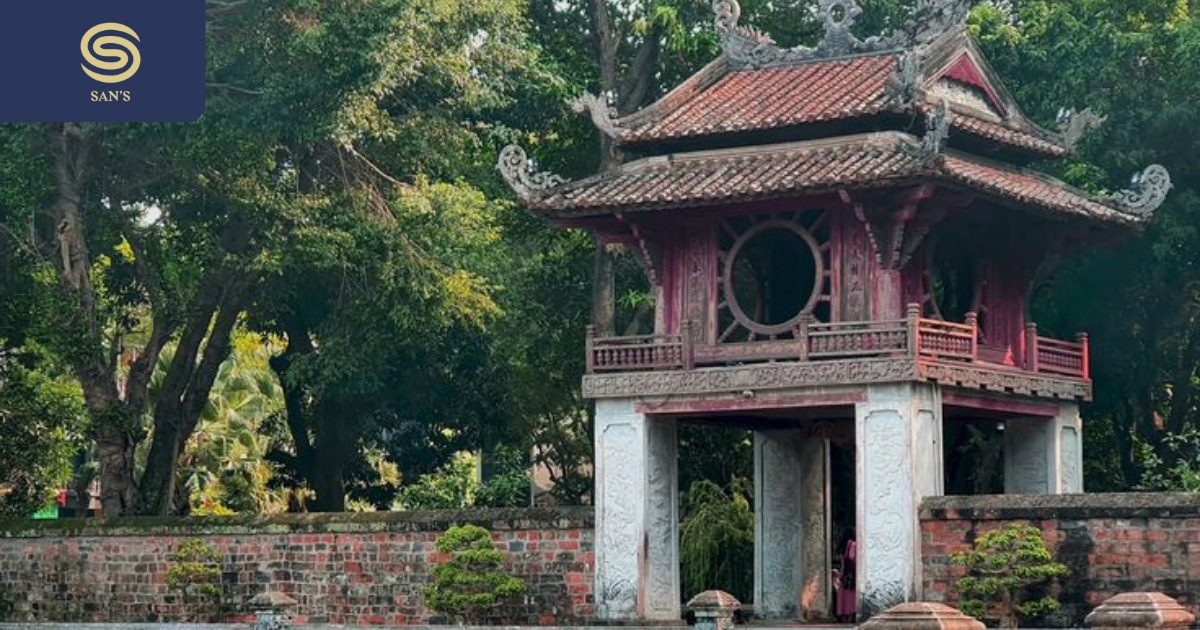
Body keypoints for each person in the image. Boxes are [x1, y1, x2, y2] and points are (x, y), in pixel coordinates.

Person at [836, 529, 857, 622]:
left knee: (843, 594)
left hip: (843, 572)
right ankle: (850, 614)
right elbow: (852, 557)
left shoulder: (842, 545)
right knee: (851, 594)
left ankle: (843, 615)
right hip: (851, 573)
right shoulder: (852, 544)